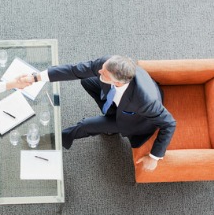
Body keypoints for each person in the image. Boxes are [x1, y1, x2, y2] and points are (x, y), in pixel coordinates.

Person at [25, 55, 176, 172]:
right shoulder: (107, 63)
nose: (99, 71)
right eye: (102, 68)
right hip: (121, 103)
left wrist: (154, 157)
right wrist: (36, 77)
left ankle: (56, 140)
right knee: (86, 80)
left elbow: (169, 123)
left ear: (117, 82)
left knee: (86, 125)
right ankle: (109, 123)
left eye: (104, 74)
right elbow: (74, 70)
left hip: (134, 121)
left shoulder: (145, 101)